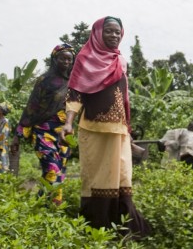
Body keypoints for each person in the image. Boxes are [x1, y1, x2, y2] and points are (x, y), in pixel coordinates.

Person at [60, 16, 150, 239]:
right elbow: (75, 93)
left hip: (119, 129)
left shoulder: (121, 61)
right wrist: (68, 122)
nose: (114, 36)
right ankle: (97, 228)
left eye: (118, 32)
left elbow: (125, 97)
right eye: (109, 31)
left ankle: (123, 229)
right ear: (99, 33)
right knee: (98, 178)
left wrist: (127, 128)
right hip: (94, 128)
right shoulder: (84, 58)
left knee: (122, 177)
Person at [12, 43, 75, 205]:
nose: (66, 62)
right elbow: (31, 107)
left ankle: (40, 204)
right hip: (42, 130)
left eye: (69, 59)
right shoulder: (44, 81)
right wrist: (18, 135)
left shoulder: (74, 82)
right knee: (52, 169)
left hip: (64, 134)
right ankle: (55, 205)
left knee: (60, 173)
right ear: (55, 59)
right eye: (63, 58)